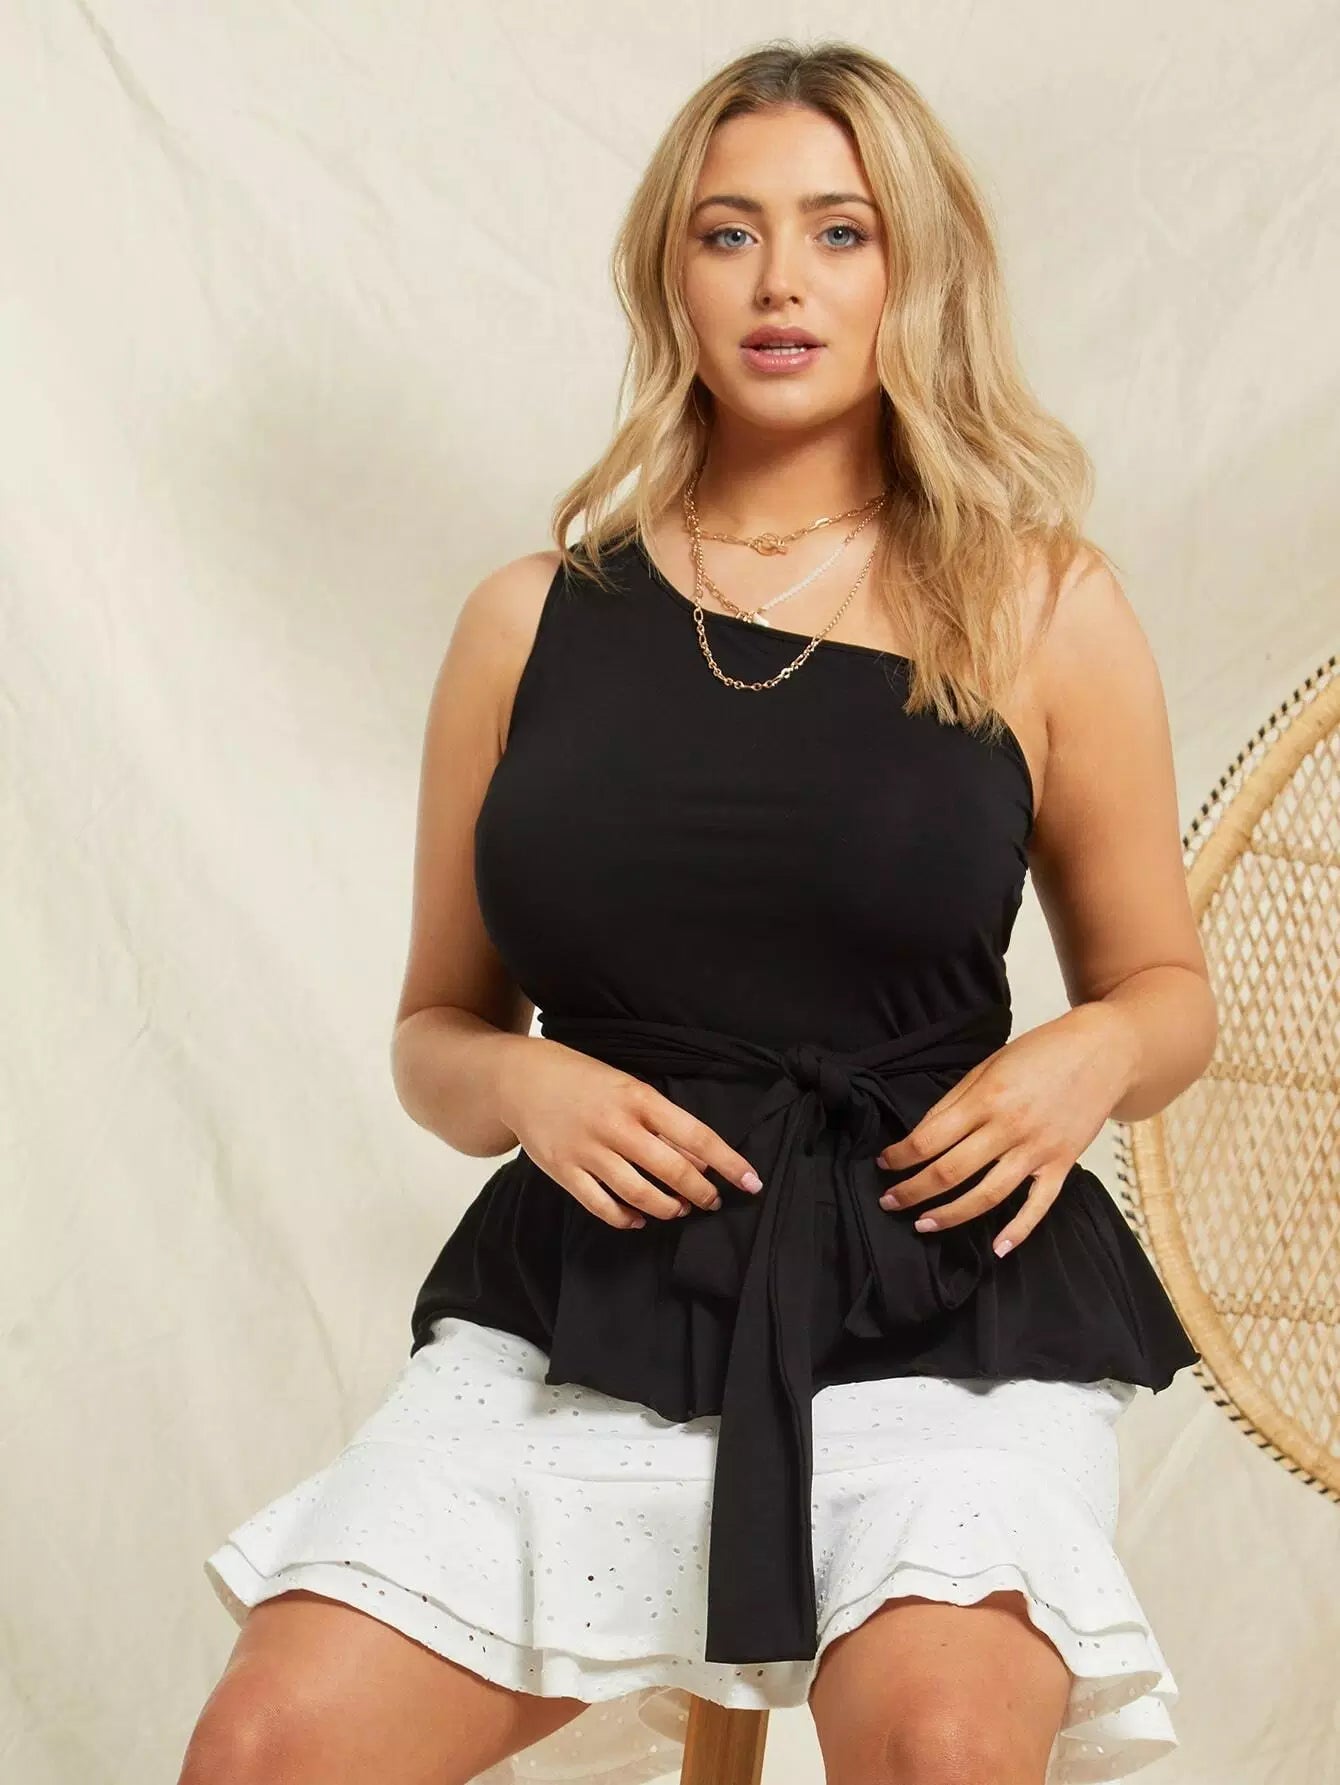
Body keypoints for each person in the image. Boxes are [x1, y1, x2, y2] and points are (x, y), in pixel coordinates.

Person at [181, 39, 1217, 1785]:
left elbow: (1169, 990)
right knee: (267, 1747)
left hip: (938, 1304)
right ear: (672, 274)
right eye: (729, 233)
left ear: (914, 270)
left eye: (840, 231)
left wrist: (1092, 1054)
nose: (781, 280)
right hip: (596, 1300)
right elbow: (437, 1032)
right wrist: (525, 1083)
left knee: (943, 1745)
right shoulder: (527, 621)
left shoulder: (1039, 605)